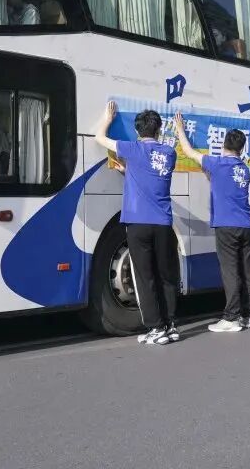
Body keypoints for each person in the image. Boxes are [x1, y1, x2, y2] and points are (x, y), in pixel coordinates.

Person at [94, 101, 180, 345]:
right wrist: (128, 171)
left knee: (145, 277)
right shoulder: (169, 153)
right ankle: (170, 325)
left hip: (138, 223)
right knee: (165, 275)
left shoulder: (132, 149)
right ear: (159, 130)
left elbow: (100, 137)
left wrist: (107, 118)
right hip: (163, 223)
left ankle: (156, 329)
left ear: (137, 131)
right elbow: (152, 175)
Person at [173, 114, 250, 332]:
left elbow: (188, 152)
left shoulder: (218, 163)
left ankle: (231, 318)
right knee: (247, 270)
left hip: (226, 225)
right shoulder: (243, 169)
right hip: (245, 225)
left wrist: (180, 129)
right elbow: (222, 183)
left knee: (230, 271)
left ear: (223, 144)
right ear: (241, 148)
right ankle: (249, 315)